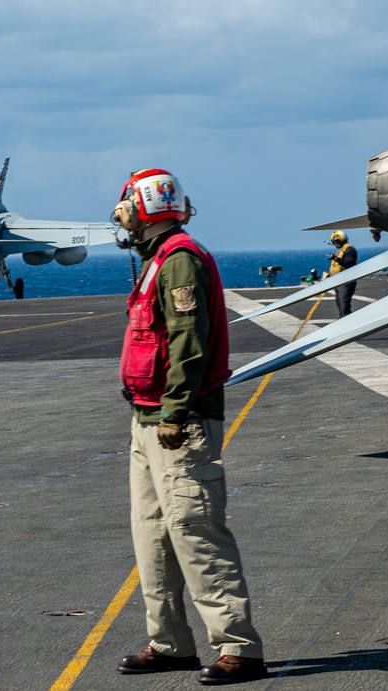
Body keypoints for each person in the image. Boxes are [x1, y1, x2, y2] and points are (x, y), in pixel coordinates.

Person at [111, 169, 266, 685]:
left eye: (127, 204)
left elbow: (188, 342)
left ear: (146, 207)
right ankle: (169, 642)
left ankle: (239, 648)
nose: (122, 214)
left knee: (196, 530)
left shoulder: (178, 260)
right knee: (153, 533)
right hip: (148, 417)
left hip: (180, 421)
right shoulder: (159, 259)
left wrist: (176, 410)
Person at [327, 231, 358, 317]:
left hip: (346, 282)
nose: (334, 245)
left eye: (334, 242)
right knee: (339, 304)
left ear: (339, 240)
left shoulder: (349, 249)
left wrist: (336, 258)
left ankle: (347, 322)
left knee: (344, 305)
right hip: (339, 281)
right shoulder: (341, 250)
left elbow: (350, 263)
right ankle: (342, 320)